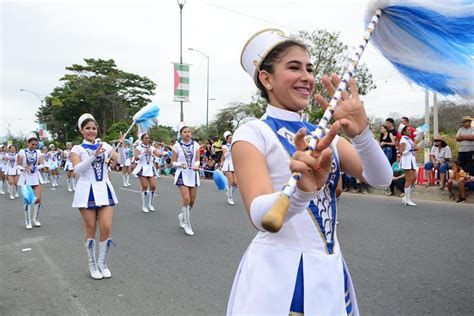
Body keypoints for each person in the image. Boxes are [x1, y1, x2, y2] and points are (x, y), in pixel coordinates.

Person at [227, 29, 392, 315]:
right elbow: (259, 215)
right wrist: (303, 190)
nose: (307, 77)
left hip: (329, 269)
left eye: (309, 68)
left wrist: (363, 133)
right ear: (266, 79)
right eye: (294, 67)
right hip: (283, 277)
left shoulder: (325, 135)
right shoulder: (252, 133)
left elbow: (381, 179)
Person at [71, 113, 120, 280]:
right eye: (87, 128)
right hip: (86, 191)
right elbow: (77, 171)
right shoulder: (77, 149)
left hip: (104, 189)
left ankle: (103, 263)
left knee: (106, 227)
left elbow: (122, 161)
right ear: (81, 130)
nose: (91, 131)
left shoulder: (105, 145)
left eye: (93, 128)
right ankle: (92, 264)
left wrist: (123, 147)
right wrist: (93, 155)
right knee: (91, 228)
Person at [172, 122, 201, 236]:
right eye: (185, 132)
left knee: (192, 201)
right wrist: (180, 164)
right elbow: (173, 162)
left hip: (193, 174)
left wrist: (197, 164)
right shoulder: (176, 146)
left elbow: (198, 159)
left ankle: (182, 215)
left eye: (189, 131)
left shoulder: (196, 145)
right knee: (186, 199)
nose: (187, 134)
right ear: (181, 134)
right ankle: (187, 225)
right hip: (182, 174)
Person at [17, 133, 46, 229]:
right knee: (28, 200)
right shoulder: (21, 152)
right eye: (32, 144)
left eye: (35, 144)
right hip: (25, 177)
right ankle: (28, 221)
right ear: (27, 143)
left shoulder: (38, 152)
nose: (34, 146)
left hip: (36, 177)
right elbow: (18, 165)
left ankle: (36, 219)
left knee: (38, 198)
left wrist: (35, 167)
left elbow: (42, 164)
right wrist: (23, 168)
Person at [133, 134, 162, 213]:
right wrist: (143, 152)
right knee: (145, 186)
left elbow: (158, 155)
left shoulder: (152, 147)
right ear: (142, 139)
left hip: (150, 168)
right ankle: (144, 205)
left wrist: (162, 153)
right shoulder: (138, 148)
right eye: (146, 138)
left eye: (148, 138)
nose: (147, 139)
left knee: (153, 186)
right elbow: (136, 158)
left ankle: (150, 204)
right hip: (142, 168)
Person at [399, 124, 422, 206]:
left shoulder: (409, 139)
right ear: (404, 131)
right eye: (408, 130)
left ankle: (405, 198)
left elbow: (417, 147)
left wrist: (422, 141)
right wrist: (411, 149)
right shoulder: (403, 140)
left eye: (410, 130)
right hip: (406, 161)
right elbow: (401, 152)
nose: (410, 131)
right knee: (409, 179)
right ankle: (407, 200)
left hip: (412, 160)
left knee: (414, 179)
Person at [221, 131, 238, 205]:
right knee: (231, 182)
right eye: (229, 138)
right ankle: (230, 198)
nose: (231, 140)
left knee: (236, 183)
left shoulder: (235, 145)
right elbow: (225, 156)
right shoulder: (224, 146)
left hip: (234, 164)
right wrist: (230, 150)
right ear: (226, 139)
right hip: (227, 164)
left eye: (232, 138)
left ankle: (228, 192)